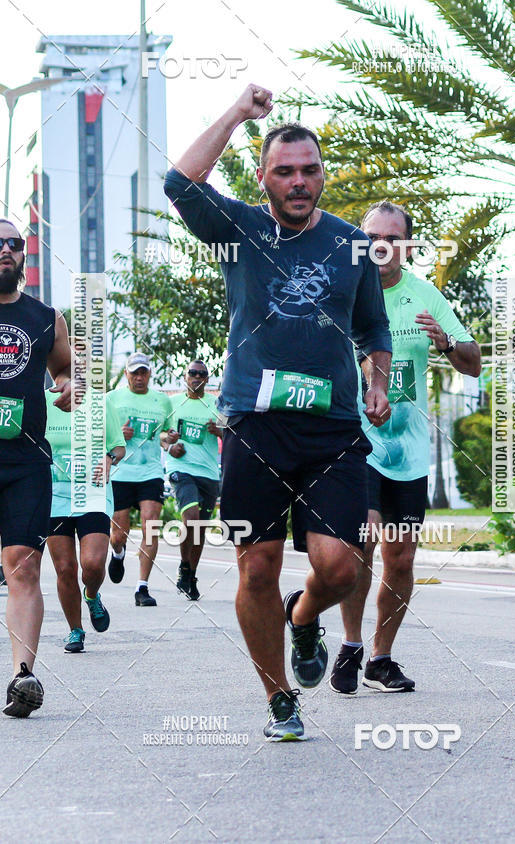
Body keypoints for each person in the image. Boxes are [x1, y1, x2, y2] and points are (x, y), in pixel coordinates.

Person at [164, 84, 392, 741]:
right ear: (263, 176)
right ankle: (280, 701)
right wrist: (237, 112)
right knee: (256, 566)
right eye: (284, 170)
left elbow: (373, 330)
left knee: (343, 567)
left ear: (324, 174)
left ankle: (303, 617)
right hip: (254, 424)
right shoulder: (238, 227)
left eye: (309, 170)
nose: (298, 182)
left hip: (331, 432)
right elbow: (179, 181)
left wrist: (376, 384)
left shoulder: (353, 246)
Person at [329, 201, 481, 695]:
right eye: (374, 236)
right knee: (363, 542)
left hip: (409, 451)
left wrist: (446, 344)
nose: (383, 246)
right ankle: (350, 643)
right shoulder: (342, 292)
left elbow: (473, 362)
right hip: (356, 442)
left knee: (401, 558)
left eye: (394, 238)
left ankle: (381, 657)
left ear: (407, 245)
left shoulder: (425, 295)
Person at [0, 219, 72, 717]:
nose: (4, 249)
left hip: (26, 459)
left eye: (12, 242)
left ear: (23, 254)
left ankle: (23, 676)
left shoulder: (46, 317)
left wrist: (68, 385)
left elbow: (65, 369)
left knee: (23, 562)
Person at [46, 390, 125, 651]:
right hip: (55, 496)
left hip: (93, 493)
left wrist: (109, 457)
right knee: (65, 568)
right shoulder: (42, 400)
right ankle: (75, 630)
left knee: (91, 565)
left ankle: (91, 596)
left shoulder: (101, 402)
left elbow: (118, 445)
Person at [106, 353, 172, 606]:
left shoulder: (161, 401)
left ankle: (142, 587)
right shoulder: (112, 399)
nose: (139, 377)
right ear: (126, 374)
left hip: (150, 472)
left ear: (149, 374)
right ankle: (118, 552)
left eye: (143, 372)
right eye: (134, 372)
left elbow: (164, 432)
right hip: (121, 471)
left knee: (151, 525)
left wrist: (169, 439)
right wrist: (118, 432)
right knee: (118, 533)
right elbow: (96, 429)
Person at [161, 359, 221, 601]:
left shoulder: (217, 404)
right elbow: (161, 434)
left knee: (201, 529)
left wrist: (220, 431)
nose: (197, 377)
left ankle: (189, 572)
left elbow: (232, 434)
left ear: (207, 379)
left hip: (208, 472)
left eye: (202, 374)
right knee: (192, 518)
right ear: (185, 377)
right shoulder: (173, 403)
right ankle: (186, 567)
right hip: (181, 468)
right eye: (192, 373)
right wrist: (169, 445)